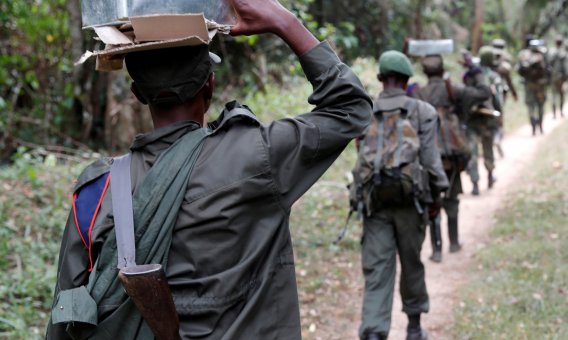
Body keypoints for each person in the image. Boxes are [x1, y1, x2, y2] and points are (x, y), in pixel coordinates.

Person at [46, 0, 372, 338]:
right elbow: (350, 108)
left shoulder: (95, 193)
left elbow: (66, 312)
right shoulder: (259, 156)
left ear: (138, 94)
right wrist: (283, 22)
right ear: (210, 86)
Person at [354, 51, 448, 340]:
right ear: (407, 80)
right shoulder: (423, 111)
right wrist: (439, 194)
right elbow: (431, 162)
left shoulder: (364, 109)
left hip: (374, 201)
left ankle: (373, 332)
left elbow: (362, 156)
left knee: (377, 269)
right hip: (412, 200)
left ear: (381, 78)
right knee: (411, 262)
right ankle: (414, 329)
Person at [413, 54, 490, 261]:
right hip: (453, 153)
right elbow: (484, 92)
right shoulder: (453, 90)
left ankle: (437, 250)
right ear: (442, 70)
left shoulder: (418, 94)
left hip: (428, 155)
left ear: (426, 72)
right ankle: (454, 242)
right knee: (452, 196)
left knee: (432, 199)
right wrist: (474, 69)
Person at [464, 47, 502, 195]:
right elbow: (497, 98)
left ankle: (475, 184)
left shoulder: (469, 75)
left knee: (473, 151)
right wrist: (500, 115)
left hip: (472, 119)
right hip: (488, 119)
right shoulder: (492, 76)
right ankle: (490, 176)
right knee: (488, 149)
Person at [517, 37, 550, 136]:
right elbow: (548, 69)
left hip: (530, 85)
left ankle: (534, 127)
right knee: (539, 106)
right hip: (539, 85)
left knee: (531, 107)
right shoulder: (542, 54)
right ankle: (539, 126)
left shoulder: (524, 55)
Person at [548, 35, 568, 118]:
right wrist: (567, 78)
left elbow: (547, 65)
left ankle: (554, 114)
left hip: (553, 77)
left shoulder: (551, 52)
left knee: (553, 95)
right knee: (561, 95)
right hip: (561, 77)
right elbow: (566, 67)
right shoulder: (563, 53)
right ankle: (561, 112)